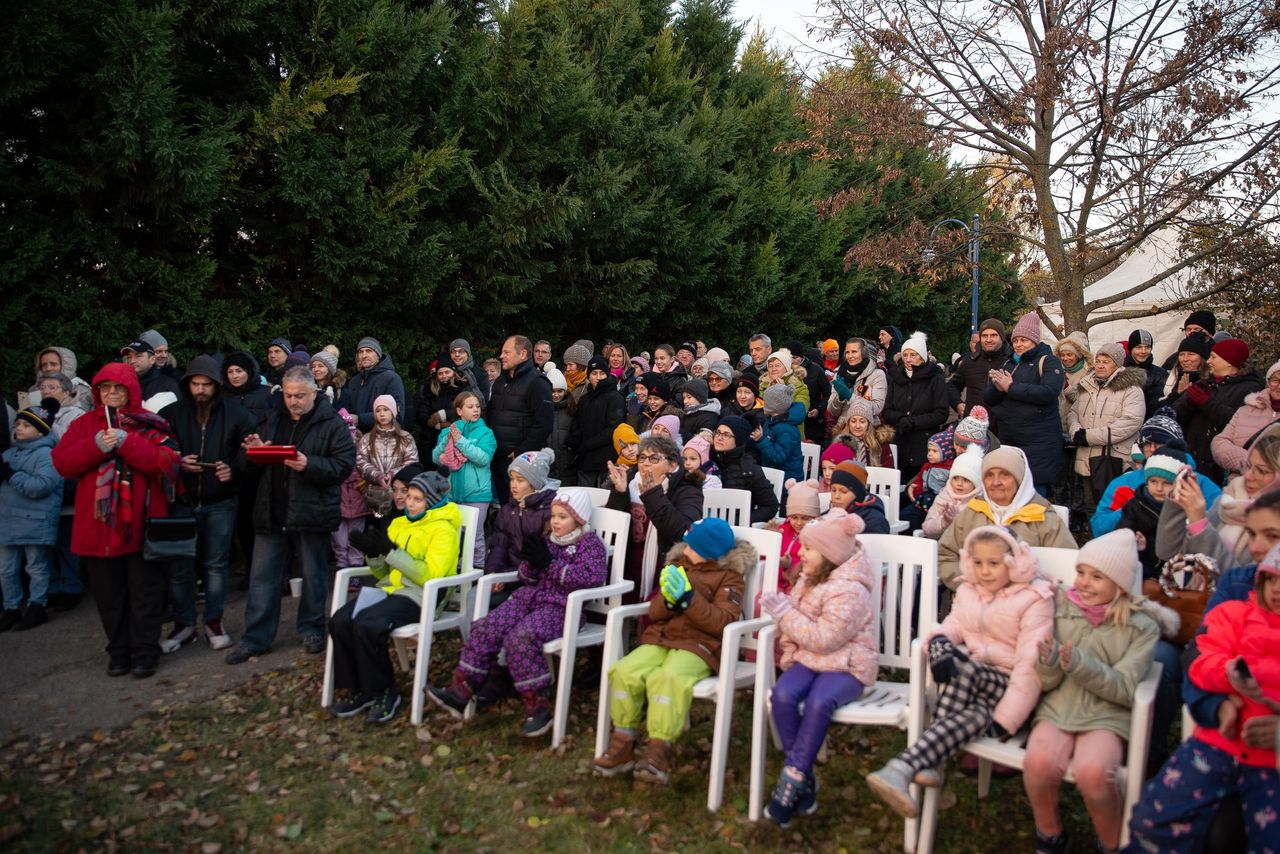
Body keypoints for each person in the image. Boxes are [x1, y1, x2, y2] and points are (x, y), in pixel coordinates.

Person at [866, 526, 1055, 818]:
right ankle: (905, 768)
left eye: (994, 563)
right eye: (978, 563)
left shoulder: (1035, 598)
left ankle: (916, 763)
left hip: (1014, 691)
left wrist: (1006, 719)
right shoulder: (970, 590)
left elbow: (1031, 665)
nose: (985, 571)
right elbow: (955, 624)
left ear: (1014, 563)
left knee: (960, 668)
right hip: (976, 693)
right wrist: (940, 641)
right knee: (974, 712)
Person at [1023, 529, 1173, 854]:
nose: (1084, 583)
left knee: (1093, 773)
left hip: (1107, 715)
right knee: (1037, 763)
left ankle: (1111, 841)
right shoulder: (1060, 607)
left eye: (1097, 576)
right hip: (1059, 706)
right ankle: (1050, 834)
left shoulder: (1140, 625)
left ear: (1120, 584)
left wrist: (1078, 663)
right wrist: (1048, 662)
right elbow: (1047, 682)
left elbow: (1124, 688)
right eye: (1081, 572)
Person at [1129, 540, 1280, 852]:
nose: (1277, 589)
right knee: (1154, 818)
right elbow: (1201, 658)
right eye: (1272, 579)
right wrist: (1227, 673)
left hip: (1271, 763)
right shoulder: (1235, 616)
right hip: (1216, 746)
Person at [429, 488, 606, 736]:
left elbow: (591, 579)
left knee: (521, 638)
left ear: (579, 519)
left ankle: (537, 706)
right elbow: (526, 578)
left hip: (561, 608)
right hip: (528, 600)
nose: (555, 521)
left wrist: (550, 565)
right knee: (487, 626)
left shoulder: (589, 544)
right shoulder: (549, 539)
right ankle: (463, 687)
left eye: (563, 517)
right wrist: (530, 563)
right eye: (554, 515)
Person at [592, 517, 751, 782]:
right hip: (662, 638)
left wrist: (688, 600)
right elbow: (653, 613)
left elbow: (722, 621)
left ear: (709, 552)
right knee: (624, 670)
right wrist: (668, 601)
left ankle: (659, 749)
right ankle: (623, 739)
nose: (686, 550)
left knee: (668, 678)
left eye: (692, 547)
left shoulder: (729, 578)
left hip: (699, 645)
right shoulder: (678, 566)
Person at [51, 363, 183, 678]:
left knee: (145, 594)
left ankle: (145, 652)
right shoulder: (84, 425)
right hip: (98, 526)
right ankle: (119, 652)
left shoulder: (151, 424)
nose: (111, 393)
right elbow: (63, 463)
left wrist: (128, 443)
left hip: (141, 524)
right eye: (105, 388)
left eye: (118, 388)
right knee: (109, 597)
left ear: (131, 391)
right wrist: (96, 447)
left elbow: (166, 464)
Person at [227, 366, 356, 664]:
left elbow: (343, 466)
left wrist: (309, 465)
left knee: (313, 575)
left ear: (314, 393)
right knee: (262, 577)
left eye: (299, 396)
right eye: (288, 395)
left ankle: (312, 629)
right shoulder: (272, 419)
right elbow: (247, 467)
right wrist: (254, 452)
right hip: (273, 509)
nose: (293, 401)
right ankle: (255, 638)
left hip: (312, 510)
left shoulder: (331, 423)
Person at [761, 510, 878, 826]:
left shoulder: (851, 589)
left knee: (818, 702)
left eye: (808, 548)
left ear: (829, 554)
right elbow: (802, 625)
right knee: (782, 694)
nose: (799, 552)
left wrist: (785, 614)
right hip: (811, 659)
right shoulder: (808, 578)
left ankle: (791, 779)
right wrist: (783, 609)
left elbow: (825, 638)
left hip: (848, 665)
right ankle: (804, 777)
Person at [327, 471, 461, 724]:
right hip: (390, 590)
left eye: (418, 499)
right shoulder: (399, 524)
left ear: (431, 502)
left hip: (421, 596)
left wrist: (391, 552)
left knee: (368, 624)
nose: (410, 503)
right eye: (409, 497)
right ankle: (358, 689)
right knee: (340, 620)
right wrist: (373, 554)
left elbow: (431, 575)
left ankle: (384, 692)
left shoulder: (443, 530)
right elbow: (383, 573)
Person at [158, 355, 257, 652]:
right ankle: (184, 624)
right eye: (195, 384)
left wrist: (233, 469)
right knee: (179, 567)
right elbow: (158, 448)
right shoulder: (171, 414)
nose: (200, 390)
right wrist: (177, 461)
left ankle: (214, 620)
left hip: (221, 501)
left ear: (216, 385)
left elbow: (251, 449)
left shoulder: (237, 414)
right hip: (181, 500)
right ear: (187, 384)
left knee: (216, 565)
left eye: (206, 385)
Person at [937, 446, 1075, 590]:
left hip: (1028, 599)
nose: (996, 482)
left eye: (1005, 475)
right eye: (989, 475)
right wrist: (972, 584)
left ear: (1019, 479)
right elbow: (945, 555)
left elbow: (1066, 568)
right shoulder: (973, 512)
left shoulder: (1042, 517)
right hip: (975, 596)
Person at [1157, 431, 1280, 570]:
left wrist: (1200, 524)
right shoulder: (1227, 501)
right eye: (1248, 466)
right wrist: (1179, 500)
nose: (1248, 476)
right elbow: (1168, 552)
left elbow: (1244, 580)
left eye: (1262, 471)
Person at [1090, 410, 1222, 536]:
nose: (1152, 449)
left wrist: (1192, 513)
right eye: (1147, 444)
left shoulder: (1199, 483)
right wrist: (1133, 509)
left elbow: (1221, 524)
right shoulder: (1124, 483)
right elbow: (1098, 528)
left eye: (1159, 443)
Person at [605, 435, 704, 601]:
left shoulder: (688, 488)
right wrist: (620, 493)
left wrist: (652, 495)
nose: (646, 463)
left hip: (664, 566)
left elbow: (683, 532)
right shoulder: (631, 482)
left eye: (654, 459)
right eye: (642, 457)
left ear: (672, 465)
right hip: (625, 562)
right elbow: (612, 534)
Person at [984, 313, 1067, 495]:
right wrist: (997, 387)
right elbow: (989, 399)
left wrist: (1011, 387)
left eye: (1024, 340)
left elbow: (1049, 392)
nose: (1018, 344)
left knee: (1033, 492)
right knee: (1010, 490)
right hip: (1010, 438)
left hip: (1039, 442)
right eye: (1015, 340)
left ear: (1035, 341)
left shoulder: (1049, 361)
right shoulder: (1008, 363)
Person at [0, 399, 63, 631]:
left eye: (26, 425)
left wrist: (11, 475)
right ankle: (11, 607)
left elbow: (41, 486)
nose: (19, 428)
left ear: (40, 430)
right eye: (17, 424)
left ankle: (37, 604)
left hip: (35, 520)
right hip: (7, 519)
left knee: (36, 566)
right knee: (6, 570)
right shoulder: (9, 453)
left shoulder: (47, 455)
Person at [1064, 341, 1146, 510]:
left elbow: (1131, 422)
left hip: (1114, 459)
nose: (1100, 366)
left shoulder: (1131, 389)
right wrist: (1075, 431)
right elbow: (1073, 413)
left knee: (1114, 507)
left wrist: (1088, 437)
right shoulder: (1087, 386)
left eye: (1106, 362)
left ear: (1117, 365)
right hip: (1086, 458)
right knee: (1090, 507)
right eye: (1098, 361)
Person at [1173, 337, 1264, 484]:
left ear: (1229, 361)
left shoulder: (1251, 389)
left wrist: (1206, 403)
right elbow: (1173, 415)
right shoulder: (1204, 383)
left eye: (1213, 357)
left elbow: (1239, 423)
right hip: (1191, 460)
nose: (1208, 361)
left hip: (1220, 467)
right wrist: (1189, 403)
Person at [31, 374, 84, 611]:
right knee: (45, 544)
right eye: (42, 387)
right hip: (39, 487)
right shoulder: (32, 413)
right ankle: (51, 588)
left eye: (52, 387)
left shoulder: (76, 415)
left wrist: (49, 419)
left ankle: (70, 587)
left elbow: (70, 445)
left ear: (66, 391)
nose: (46, 391)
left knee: (67, 541)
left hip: (66, 484)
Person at [432, 390, 497, 566]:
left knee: (474, 536)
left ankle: (477, 569)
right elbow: (436, 458)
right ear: (459, 411)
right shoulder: (447, 432)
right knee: (453, 536)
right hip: (451, 494)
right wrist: (446, 441)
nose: (476, 410)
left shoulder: (486, 433)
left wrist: (460, 441)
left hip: (477, 494)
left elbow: (483, 458)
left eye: (477, 406)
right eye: (470, 407)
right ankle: (455, 570)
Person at [487, 336, 554, 505]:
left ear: (523, 354)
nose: (501, 356)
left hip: (521, 462)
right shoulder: (500, 381)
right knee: (505, 508)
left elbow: (544, 424)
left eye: (506, 352)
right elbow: (490, 414)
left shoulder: (538, 383)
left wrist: (520, 452)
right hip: (497, 457)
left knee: (523, 510)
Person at [882, 331, 949, 485]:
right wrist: (900, 419)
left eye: (913, 355)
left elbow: (941, 413)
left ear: (922, 357)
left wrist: (913, 422)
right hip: (900, 444)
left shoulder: (935, 379)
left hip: (924, 445)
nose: (908, 359)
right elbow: (887, 410)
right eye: (905, 355)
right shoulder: (897, 378)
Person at [1211, 358, 1280, 478]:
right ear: (1268, 382)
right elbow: (1219, 442)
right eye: (1275, 380)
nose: (1279, 386)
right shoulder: (1246, 410)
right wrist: (1249, 462)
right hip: (1239, 485)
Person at [355, 395, 419, 517]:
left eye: (386, 409)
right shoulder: (367, 439)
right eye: (378, 411)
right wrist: (377, 475)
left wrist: (392, 474)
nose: (382, 414)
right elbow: (360, 461)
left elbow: (412, 462)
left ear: (393, 412)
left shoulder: (406, 438)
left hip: (399, 497)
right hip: (373, 497)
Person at [568, 355, 625, 487]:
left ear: (607, 375)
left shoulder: (615, 398)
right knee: (584, 495)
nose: (598, 377)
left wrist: (588, 444)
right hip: (585, 459)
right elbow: (577, 423)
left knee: (604, 496)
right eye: (594, 373)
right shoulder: (584, 399)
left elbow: (614, 428)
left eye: (601, 373)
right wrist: (574, 441)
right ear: (589, 376)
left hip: (606, 459)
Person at [711, 416, 779, 524]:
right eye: (718, 432)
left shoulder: (749, 469)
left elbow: (771, 506)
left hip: (735, 527)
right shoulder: (706, 458)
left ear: (738, 440)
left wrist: (741, 520)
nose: (719, 438)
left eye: (726, 435)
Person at [949, 320, 1011, 419]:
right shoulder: (969, 361)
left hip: (1003, 424)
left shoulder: (1012, 361)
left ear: (1002, 337)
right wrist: (957, 404)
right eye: (984, 336)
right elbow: (952, 385)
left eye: (994, 335)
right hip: (974, 423)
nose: (989, 340)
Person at [345, 337, 407, 433]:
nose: (364, 355)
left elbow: (397, 415)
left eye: (369, 351)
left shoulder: (391, 378)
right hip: (356, 437)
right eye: (360, 352)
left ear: (378, 355)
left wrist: (360, 420)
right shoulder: (354, 381)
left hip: (383, 438)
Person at [922, 444, 984, 539]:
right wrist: (943, 522)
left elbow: (980, 536)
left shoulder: (981, 502)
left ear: (975, 483)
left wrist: (957, 522)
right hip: (941, 545)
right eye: (955, 478)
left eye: (966, 480)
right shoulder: (944, 496)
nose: (959, 483)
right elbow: (927, 529)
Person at [770, 480, 820, 592]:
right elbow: (765, 558)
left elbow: (813, 565)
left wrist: (790, 564)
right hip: (775, 582)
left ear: (814, 517)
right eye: (794, 517)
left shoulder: (816, 536)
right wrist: (770, 539)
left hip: (800, 586)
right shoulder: (782, 531)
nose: (798, 522)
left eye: (805, 518)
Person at [828, 337, 887, 429]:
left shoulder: (876, 375)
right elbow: (832, 412)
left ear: (863, 353)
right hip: (843, 428)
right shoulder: (839, 374)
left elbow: (876, 408)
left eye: (854, 352)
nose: (850, 356)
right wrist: (839, 399)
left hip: (867, 429)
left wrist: (849, 396)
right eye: (847, 352)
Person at [754, 384, 804, 484]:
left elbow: (779, 457)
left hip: (788, 480)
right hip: (773, 473)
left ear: (773, 406)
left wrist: (761, 440)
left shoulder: (787, 430)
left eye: (766, 402)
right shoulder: (771, 420)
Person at [826, 460, 890, 534]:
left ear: (858, 493)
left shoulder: (874, 521)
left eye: (844, 491)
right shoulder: (830, 513)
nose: (836, 496)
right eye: (833, 490)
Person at [832, 397, 894, 468]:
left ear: (869, 424)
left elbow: (889, 470)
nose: (857, 426)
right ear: (848, 423)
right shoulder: (840, 443)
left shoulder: (880, 443)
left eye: (862, 421)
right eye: (853, 421)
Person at [121, 339, 181, 411]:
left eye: (138, 356)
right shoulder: (122, 384)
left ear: (152, 360)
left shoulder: (168, 385)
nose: (132, 361)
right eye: (129, 357)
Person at [30, 347, 92, 412]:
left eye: (53, 364)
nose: (48, 368)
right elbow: (32, 414)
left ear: (66, 365)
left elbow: (77, 416)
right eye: (44, 365)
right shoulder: (35, 390)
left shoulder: (81, 391)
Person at [1124, 329, 1169, 418]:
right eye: (1139, 347)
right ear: (1130, 348)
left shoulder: (1161, 374)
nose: (1143, 351)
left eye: (1147, 347)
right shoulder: (1120, 372)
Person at [1159, 334, 1210, 409]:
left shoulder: (1210, 382)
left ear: (1202, 358)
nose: (1185, 359)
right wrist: (1177, 394)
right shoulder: (1173, 377)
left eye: (1191, 354)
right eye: (1182, 354)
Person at [1053, 331, 1093, 429]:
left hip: (1075, 426)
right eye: (1062, 355)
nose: (1065, 358)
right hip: (1056, 424)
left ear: (1078, 355)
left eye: (1069, 355)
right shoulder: (1057, 369)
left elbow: (1083, 400)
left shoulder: (1088, 373)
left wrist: (1066, 386)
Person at [679, 378, 722, 442]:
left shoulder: (709, 417)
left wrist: (679, 432)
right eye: (684, 397)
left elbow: (701, 442)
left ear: (700, 398)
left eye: (689, 397)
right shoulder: (687, 412)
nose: (685, 401)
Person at [447, 339, 490, 404]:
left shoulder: (481, 374)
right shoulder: (447, 373)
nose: (457, 354)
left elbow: (484, 400)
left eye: (461, 351)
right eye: (453, 351)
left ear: (468, 354)